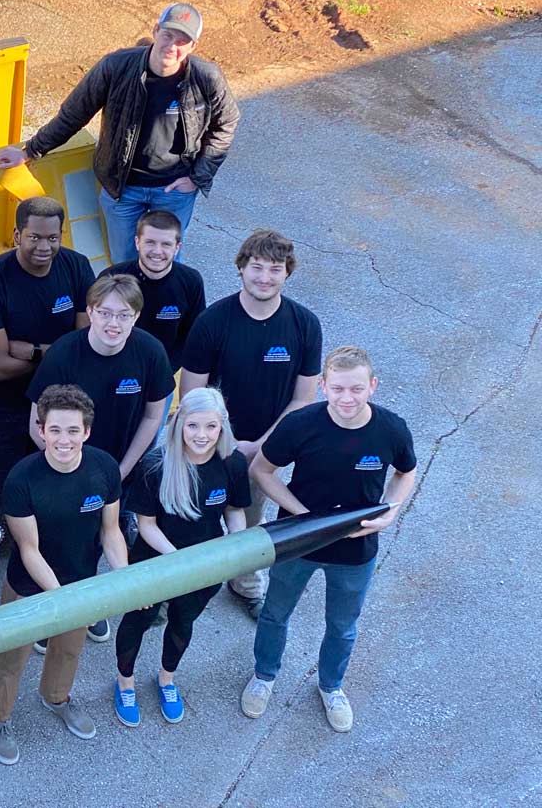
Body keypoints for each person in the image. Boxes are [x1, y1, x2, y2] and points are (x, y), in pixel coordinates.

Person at [241, 346, 416, 733]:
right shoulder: (301, 425)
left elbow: (406, 473)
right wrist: (301, 514)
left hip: (356, 550)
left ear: (372, 385)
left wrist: (390, 511)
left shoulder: (391, 429)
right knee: (274, 613)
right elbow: (262, 469)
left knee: (342, 625)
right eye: (337, 389)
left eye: (356, 388)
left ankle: (331, 687)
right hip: (298, 543)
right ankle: (265, 675)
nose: (347, 398)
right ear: (323, 387)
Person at [0, 3, 239, 263]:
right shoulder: (116, 67)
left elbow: (227, 123)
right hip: (122, 190)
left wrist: (197, 177)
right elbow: (74, 113)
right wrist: (31, 150)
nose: (172, 46)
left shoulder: (206, 78)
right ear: (156, 31)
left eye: (182, 41)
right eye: (168, 35)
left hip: (174, 191)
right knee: (124, 265)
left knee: (166, 265)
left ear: (193, 46)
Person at [180, 229, 322, 618]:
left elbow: (303, 399)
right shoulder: (213, 322)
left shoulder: (304, 325)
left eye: (275, 269)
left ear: (287, 273)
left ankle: (244, 585)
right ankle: (177, 589)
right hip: (206, 443)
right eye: (256, 267)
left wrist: (258, 446)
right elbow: (191, 395)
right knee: (191, 519)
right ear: (241, 268)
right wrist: (222, 442)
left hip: (265, 451)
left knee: (251, 523)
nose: (264, 277)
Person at [27, 273, 172, 641]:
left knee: (103, 535)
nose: (114, 323)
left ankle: (90, 605)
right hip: (64, 467)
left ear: (137, 316)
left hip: (120, 470)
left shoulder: (151, 352)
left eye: (124, 315)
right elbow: (35, 424)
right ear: (90, 311)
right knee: (57, 538)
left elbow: (154, 416)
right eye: (105, 313)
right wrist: (66, 467)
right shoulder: (64, 353)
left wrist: (120, 472)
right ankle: (51, 608)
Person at [0, 384, 127, 765]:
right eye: (55, 430)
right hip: (28, 586)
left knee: (68, 651)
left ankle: (56, 698)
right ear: (41, 429)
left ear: (87, 432)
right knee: (11, 658)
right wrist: (62, 598)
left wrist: (125, 580)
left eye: (72, 431)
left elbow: (110, 531)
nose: (64, 440)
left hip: (80, 583)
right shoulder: (22, 478)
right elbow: (28, 550)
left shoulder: (104, 468)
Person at [112, 388, 249, 727]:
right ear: (178, 425)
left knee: (182, 623)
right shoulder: (156, 465)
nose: (201, 436)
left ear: (222, 428)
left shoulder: (232, 463)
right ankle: (125, 683)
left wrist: (237, 543)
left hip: (206, 566)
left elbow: (234, 511)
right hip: (156, 561)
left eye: (210, 427)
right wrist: (180, 560)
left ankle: (166, 679)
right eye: (193, 426)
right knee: (137, 622)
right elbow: (145, 525)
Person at [0, 196, 96, 526]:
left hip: (56, 400)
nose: (44, 246)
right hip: (3, 402)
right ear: (16, 236)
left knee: (50, 467)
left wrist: (29, 350)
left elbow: (84, 343)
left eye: (52, 238)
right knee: (0, 479)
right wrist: (54, 353)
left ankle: (36, 531)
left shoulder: (77, 267)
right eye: (34, 237)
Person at [97, 209, 206, 378]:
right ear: (137, 242)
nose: (157, 251)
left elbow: (193, 334)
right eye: (150, 242)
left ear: (177, 248)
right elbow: (96, 327)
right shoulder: (111, 278)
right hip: (112, 369)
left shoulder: (191, 281)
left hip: (162, 372)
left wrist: (165, 370)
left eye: (166, 244)